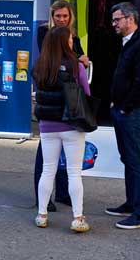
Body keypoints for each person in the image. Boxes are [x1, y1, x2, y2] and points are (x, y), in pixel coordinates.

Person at [31, 25, 91, 233]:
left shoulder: (40, 65)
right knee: (74, 172)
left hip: (47, 125)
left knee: (48, 169)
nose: (72, 42)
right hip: (71, 123)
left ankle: (41, 215)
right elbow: (86, 92)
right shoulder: (76, 66)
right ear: (64, 43)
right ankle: (77, 218)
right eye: (70, 40)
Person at [107, 2, 140, 230]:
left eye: (117, 19)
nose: (114, 24)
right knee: (128, 158)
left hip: (131, 113)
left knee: (136, 161)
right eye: (113, 20)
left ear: (130, 19)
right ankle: (131, 204)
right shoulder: (128, 43)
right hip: (122, 110)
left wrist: (125, 108)